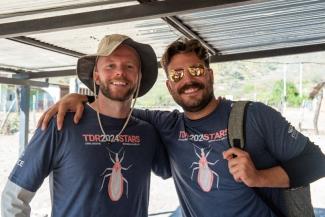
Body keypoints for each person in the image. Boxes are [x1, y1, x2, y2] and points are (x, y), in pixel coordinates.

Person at [37, 38, 325, 217]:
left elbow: (317, 162)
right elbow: (116, 106)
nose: (189, 79)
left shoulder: (254, 115)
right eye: (177, 74)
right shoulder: (167, 124)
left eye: (197, 70)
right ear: (169, 85)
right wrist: (84, 98)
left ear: (209, 75)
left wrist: (259, 177)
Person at [1, 34, 170, 217]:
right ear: (96, 76)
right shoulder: (60, 124)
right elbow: (13, 200)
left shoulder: (147, 133)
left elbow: (185, 171)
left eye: (129, 66)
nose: (120, 72)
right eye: (110, 65)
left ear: (138, 77)